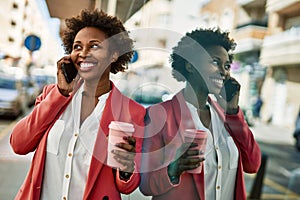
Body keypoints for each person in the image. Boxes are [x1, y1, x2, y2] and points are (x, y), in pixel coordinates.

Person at [10, 9, 145, 200]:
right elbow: (19, 144)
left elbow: (128, 186)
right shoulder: (52, 95)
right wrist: (60, 94)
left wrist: (126, 168)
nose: (83, 53)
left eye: (94, 46)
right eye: (77, 47)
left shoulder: (133, 113)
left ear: (114, 55)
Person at [139, 28, 261, 200]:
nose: (223, 71)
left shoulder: (226, 117)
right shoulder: (159, 115)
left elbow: (253, 164)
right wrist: (173, 169)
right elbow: (146, 184)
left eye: (226, 66)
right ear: (190, 64)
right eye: (215, 62)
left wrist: (233, 112)